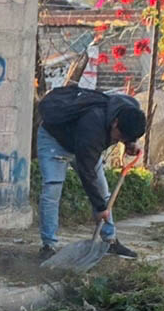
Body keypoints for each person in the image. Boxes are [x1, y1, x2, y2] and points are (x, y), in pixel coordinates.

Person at [35, 85, 146, 262]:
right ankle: (48, 246)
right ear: (115, 122)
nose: (119, 141)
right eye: (120, 137)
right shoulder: (93, 126)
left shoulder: (129, 109)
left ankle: (110, 241)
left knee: (104, 192)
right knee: (52, 190)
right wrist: (100, 208)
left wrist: (130, 142)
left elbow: (126, 130)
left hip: (82, 143)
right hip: (54, 140)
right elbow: (87, 173)